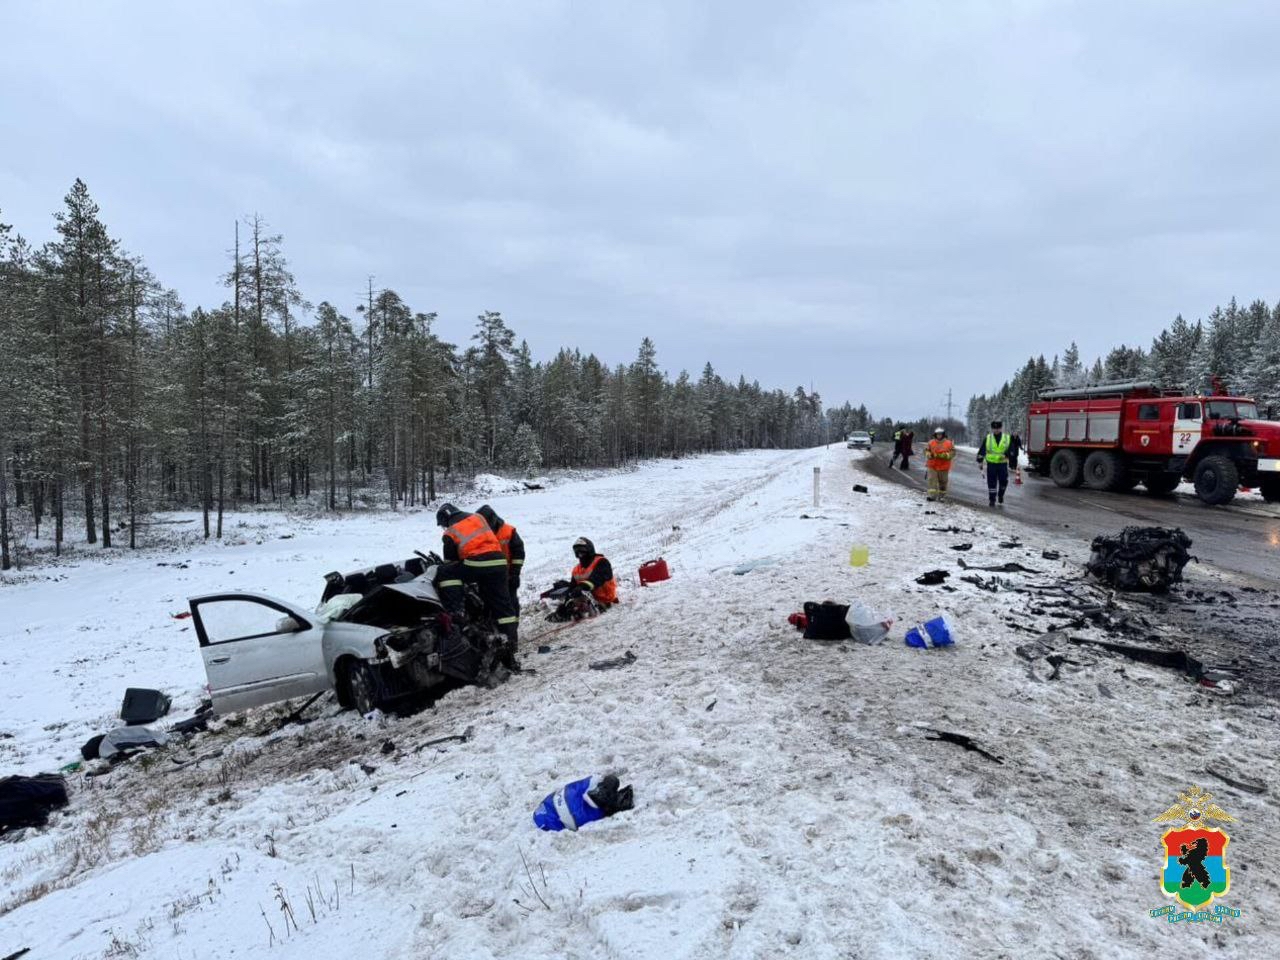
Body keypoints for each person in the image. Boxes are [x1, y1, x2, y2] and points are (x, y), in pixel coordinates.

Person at [434, 503, 520, 666]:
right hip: (499, 563)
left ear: (445, 519)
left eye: (443, 524)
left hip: (478, 563)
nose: (444, 527)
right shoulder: (478, 517)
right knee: (503, 608)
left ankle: (456, 610)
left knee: (446, 572)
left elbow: (450, 563)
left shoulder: (450, 533)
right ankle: (510, 652)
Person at [477, 504, 525, 610]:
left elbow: (519, 553)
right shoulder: (479, 534)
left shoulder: (509, 531)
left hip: (508, 575)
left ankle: (512, 624)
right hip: (488, 577)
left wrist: (514, 573)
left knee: (510, 602)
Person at [976, 420, 1012, 506]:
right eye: (994, 428)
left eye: (998, 428)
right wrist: (980, 461)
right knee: (992, 482)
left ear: (1001, 428)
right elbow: (982, 450)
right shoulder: (988, 438)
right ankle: (992, 499)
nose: (996, 430)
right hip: (991, 464)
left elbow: (1012, 449)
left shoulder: (1007, 438)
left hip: (1002, 464)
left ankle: (1001, 495)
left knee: (1003, 481)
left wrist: (1007, 455)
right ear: (992, 429)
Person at [924, 427, 955, 501]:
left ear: (943, 435)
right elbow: (926, 451)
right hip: (932, 465)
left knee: (943, 482)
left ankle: (942, 496)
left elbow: (952, 453)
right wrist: (928, 454)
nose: (939, 436)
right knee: (932, 480)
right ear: (935, 435)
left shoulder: (949, 443)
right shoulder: (931, 442)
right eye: (937, 434)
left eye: (940, 434)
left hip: (944, 466)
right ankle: (932, 496)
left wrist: (943, 455)